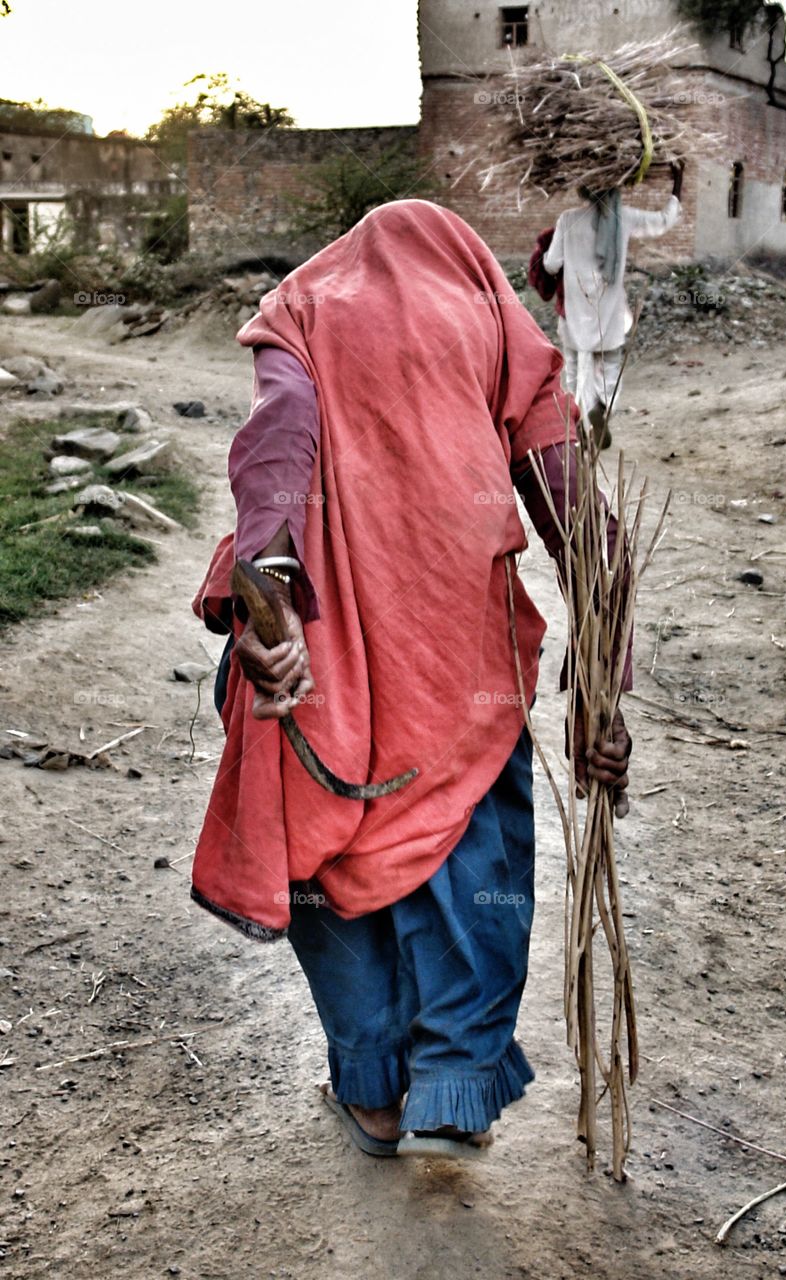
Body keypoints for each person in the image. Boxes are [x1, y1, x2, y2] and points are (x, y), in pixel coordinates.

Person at [191, 200, 632, 1160]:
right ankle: (453, 1092)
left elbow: (275, 447)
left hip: (316, 655)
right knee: (476, 860)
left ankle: (376, 1094)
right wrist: (601, 686)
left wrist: (269, 594)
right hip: (456, 658)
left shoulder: (302, 308)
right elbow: (571, 508)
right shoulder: (492, 323)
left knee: (325, 862)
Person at [536, 163, 684, 447]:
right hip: (610, 317)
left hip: (575, 316)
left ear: (584, 189)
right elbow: (664, 221)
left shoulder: (568, 219)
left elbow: (552, 264)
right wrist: (678, 181)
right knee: (609, 368)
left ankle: (579, 416)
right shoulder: (623, 217)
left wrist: (549, 259)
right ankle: (603, 407)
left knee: (574, 369)